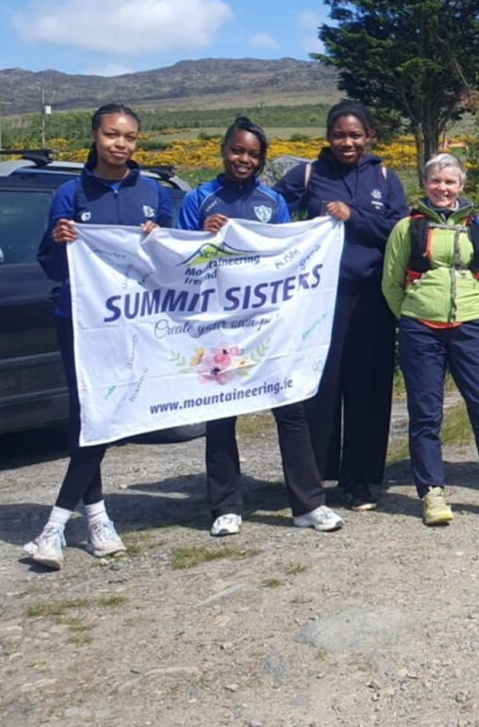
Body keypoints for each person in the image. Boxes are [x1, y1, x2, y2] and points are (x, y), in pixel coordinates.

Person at [177, 118, 343, 537]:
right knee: (221, 415)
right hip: (217, 328)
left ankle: (308, 504)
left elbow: (286, 255)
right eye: (237, 151)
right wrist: (199, 236)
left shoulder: (271, 201)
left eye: (253, 154)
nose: (244, 160)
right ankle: (225, 507)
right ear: (224, 150)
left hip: (266, 325)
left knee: (290, 409)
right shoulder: (201, 199)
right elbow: (175, 260)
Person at [24, 104, 173, 570]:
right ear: (95, 135)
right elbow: (49, 264)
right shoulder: (70, 193)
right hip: (80, 321)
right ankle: (87, 520)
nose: (121, 144)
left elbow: (173, 265)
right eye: (112, 135)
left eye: (129, 137)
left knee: (109, 415)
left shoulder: (153, 194)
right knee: (88, 415)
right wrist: (59, 240)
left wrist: (161, 237)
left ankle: (76, 521)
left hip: (134, 324)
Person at [382, 153, 479, 526]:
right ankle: (432, 494)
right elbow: (391, 283)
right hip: (421, 329)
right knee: (426, 415)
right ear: (426, 184)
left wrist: (472, 309)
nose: (443, 188)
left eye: (450, 182)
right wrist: (415, 311)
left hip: (472, 328)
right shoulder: (408, 228)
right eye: (436, 181)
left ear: (461, 186)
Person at [280, 101, 406, 512]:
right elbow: (269, 212)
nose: (347, 142)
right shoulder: (309, 175)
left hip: (372, 298)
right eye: (339, 134)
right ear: (328, 136)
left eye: (355, 135)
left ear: (369, 136)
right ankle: (314, 477)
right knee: (321, 387)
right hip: (320, 300)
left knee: (367, 389)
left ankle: (360, 479)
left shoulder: (384, 178)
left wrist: (354, 217)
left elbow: (399, 231)